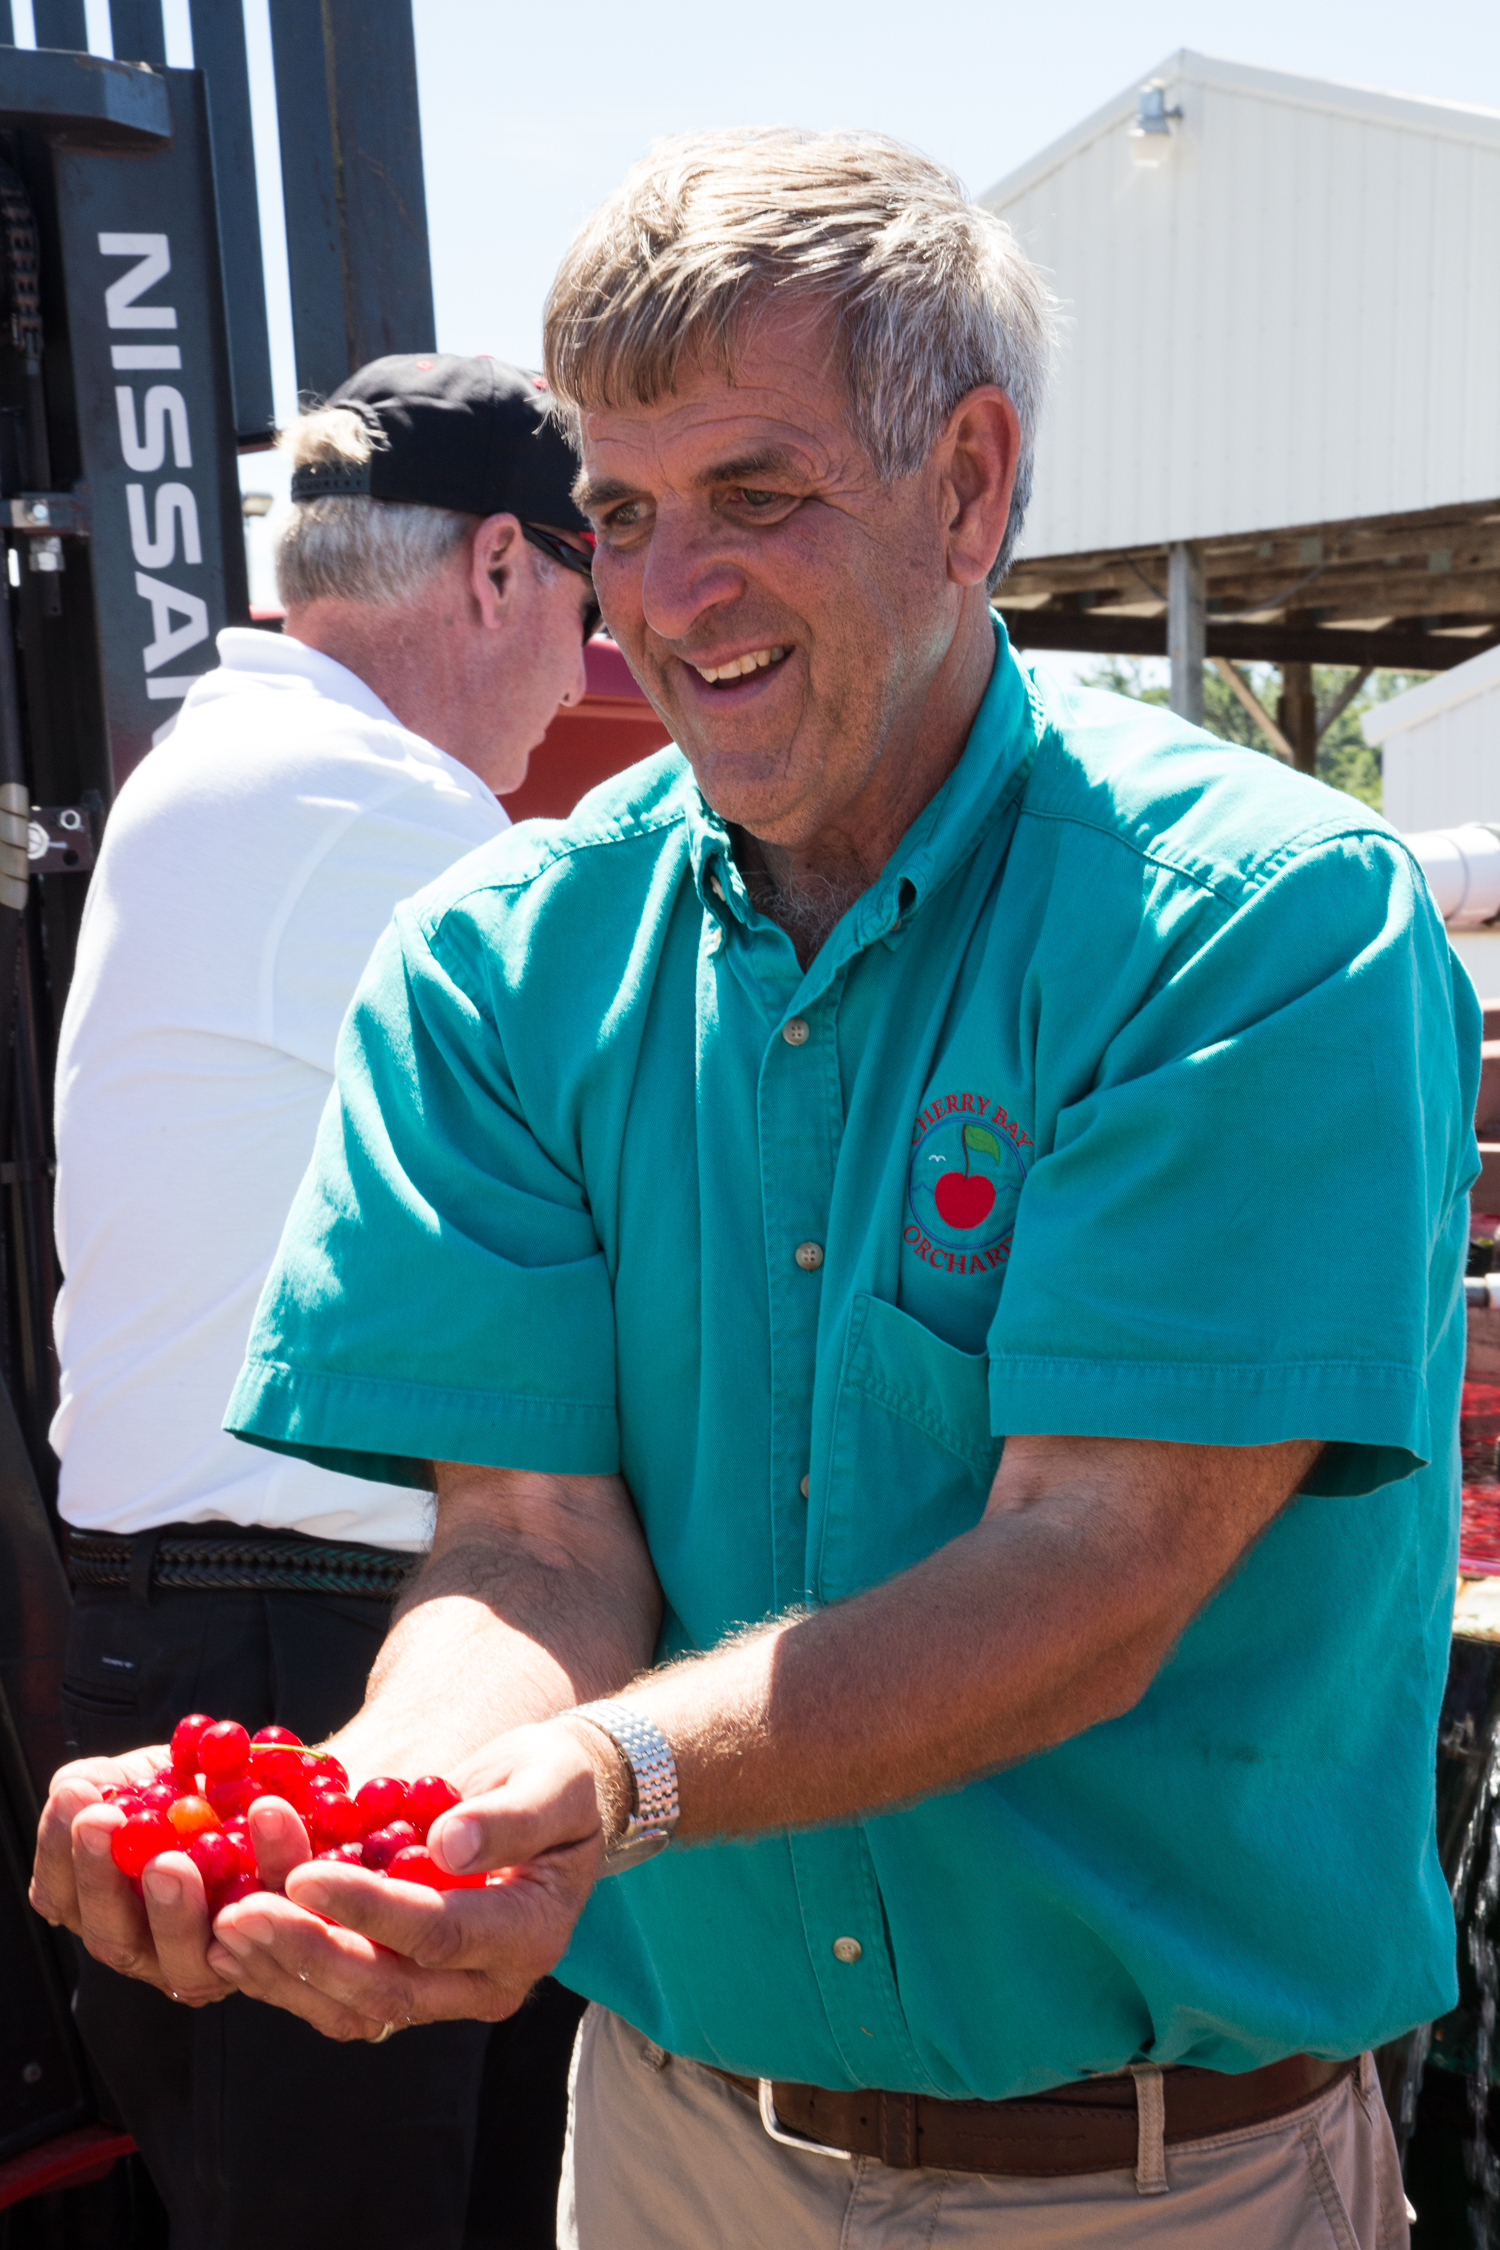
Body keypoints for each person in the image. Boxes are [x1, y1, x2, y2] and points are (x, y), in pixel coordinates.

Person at [37, 132, 1475, 2250]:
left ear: (971, 485)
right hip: (675, 2146)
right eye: (619, 513)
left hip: (1163, 2181)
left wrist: (602, 1789)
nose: (665, 591)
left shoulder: (1247, 926)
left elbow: (1099, 1562)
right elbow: (528, 1549)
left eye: (757, 495)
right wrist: (406, 1810)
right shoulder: (497, 962)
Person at [39, 354, 595, 2250]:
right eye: (590, 608)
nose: (590, 671)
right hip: (303, 1645)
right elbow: (716, 1026)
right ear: (502, 570)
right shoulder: (372, 806)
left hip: (214, 1633)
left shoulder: (233, 771)